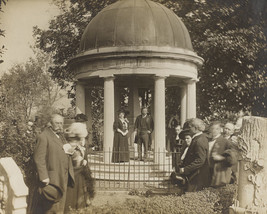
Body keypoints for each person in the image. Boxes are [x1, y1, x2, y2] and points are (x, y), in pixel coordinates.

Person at [32, 114, 74, 214]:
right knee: (51, 209)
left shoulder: (60, 137)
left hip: (62, 177)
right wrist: (44, 177)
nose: (60, 125)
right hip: (51, 180)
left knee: (60, 208)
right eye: (57, 123)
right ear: (50, 123)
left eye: (61, 123)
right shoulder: (44, 137)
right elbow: (38, 158)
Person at [64, 122, 95, 212]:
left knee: (81, 197)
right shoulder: (68, 147)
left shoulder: (80, 148)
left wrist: (83, 160)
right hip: (73, 175)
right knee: (72, 197)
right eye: (74, 139)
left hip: (80, 175)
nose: (78, 141)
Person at [177, 118, 209, 192]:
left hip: (197, 176)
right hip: (194, 175)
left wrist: (185, 169)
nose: (189, 129)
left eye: (190, 127)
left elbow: (200, 160)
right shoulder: (197, 139)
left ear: (195, 128)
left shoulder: (199, 140)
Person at [209, 121, 236, 187]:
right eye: (225, 128)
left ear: (232, 132)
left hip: (221, 171)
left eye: (229, 129)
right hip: (210, 169)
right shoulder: (211, 139)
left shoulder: (230, 141)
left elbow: (233, 157)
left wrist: (222, 158)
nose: (226, 130)